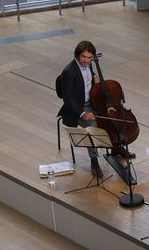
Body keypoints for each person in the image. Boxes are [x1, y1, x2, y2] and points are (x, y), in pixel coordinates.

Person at [57, 41, 133, 178]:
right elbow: (68, 100)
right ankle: (94, 161)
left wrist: (95, 82)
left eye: (89, 58)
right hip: (77, 108)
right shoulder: (69, 72)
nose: (86, 60)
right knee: (93, 127)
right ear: (77, 55)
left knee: (112, 116)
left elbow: (87, 82)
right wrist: (83, 113)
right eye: (84, 57)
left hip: (92, 102)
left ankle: (116, 146)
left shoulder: (89, 64)